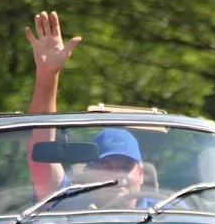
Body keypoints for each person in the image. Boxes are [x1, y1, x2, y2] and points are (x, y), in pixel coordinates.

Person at [24, 12, 151, 210]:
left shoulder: (168, 213)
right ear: (89, 173)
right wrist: (48, 75)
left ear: (141, 175)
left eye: (126, 166)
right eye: (106, 166)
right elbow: (41, 153)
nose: (117, 175)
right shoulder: (70, 204)